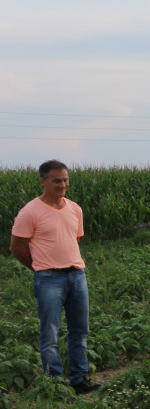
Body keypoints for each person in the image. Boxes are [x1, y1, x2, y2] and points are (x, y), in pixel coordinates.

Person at [9, 160, 101, 394]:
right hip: (49, 279)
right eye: (56, 180)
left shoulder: (75, 209)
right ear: (43, 181)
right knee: (49, 333)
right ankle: (55, 384)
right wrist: (41, 268)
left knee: (80, 330)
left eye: (66, 180)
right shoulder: (30, 211)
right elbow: (17, 247)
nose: (62, 185)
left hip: (77, 276)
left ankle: (79, 380)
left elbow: (74, 239)